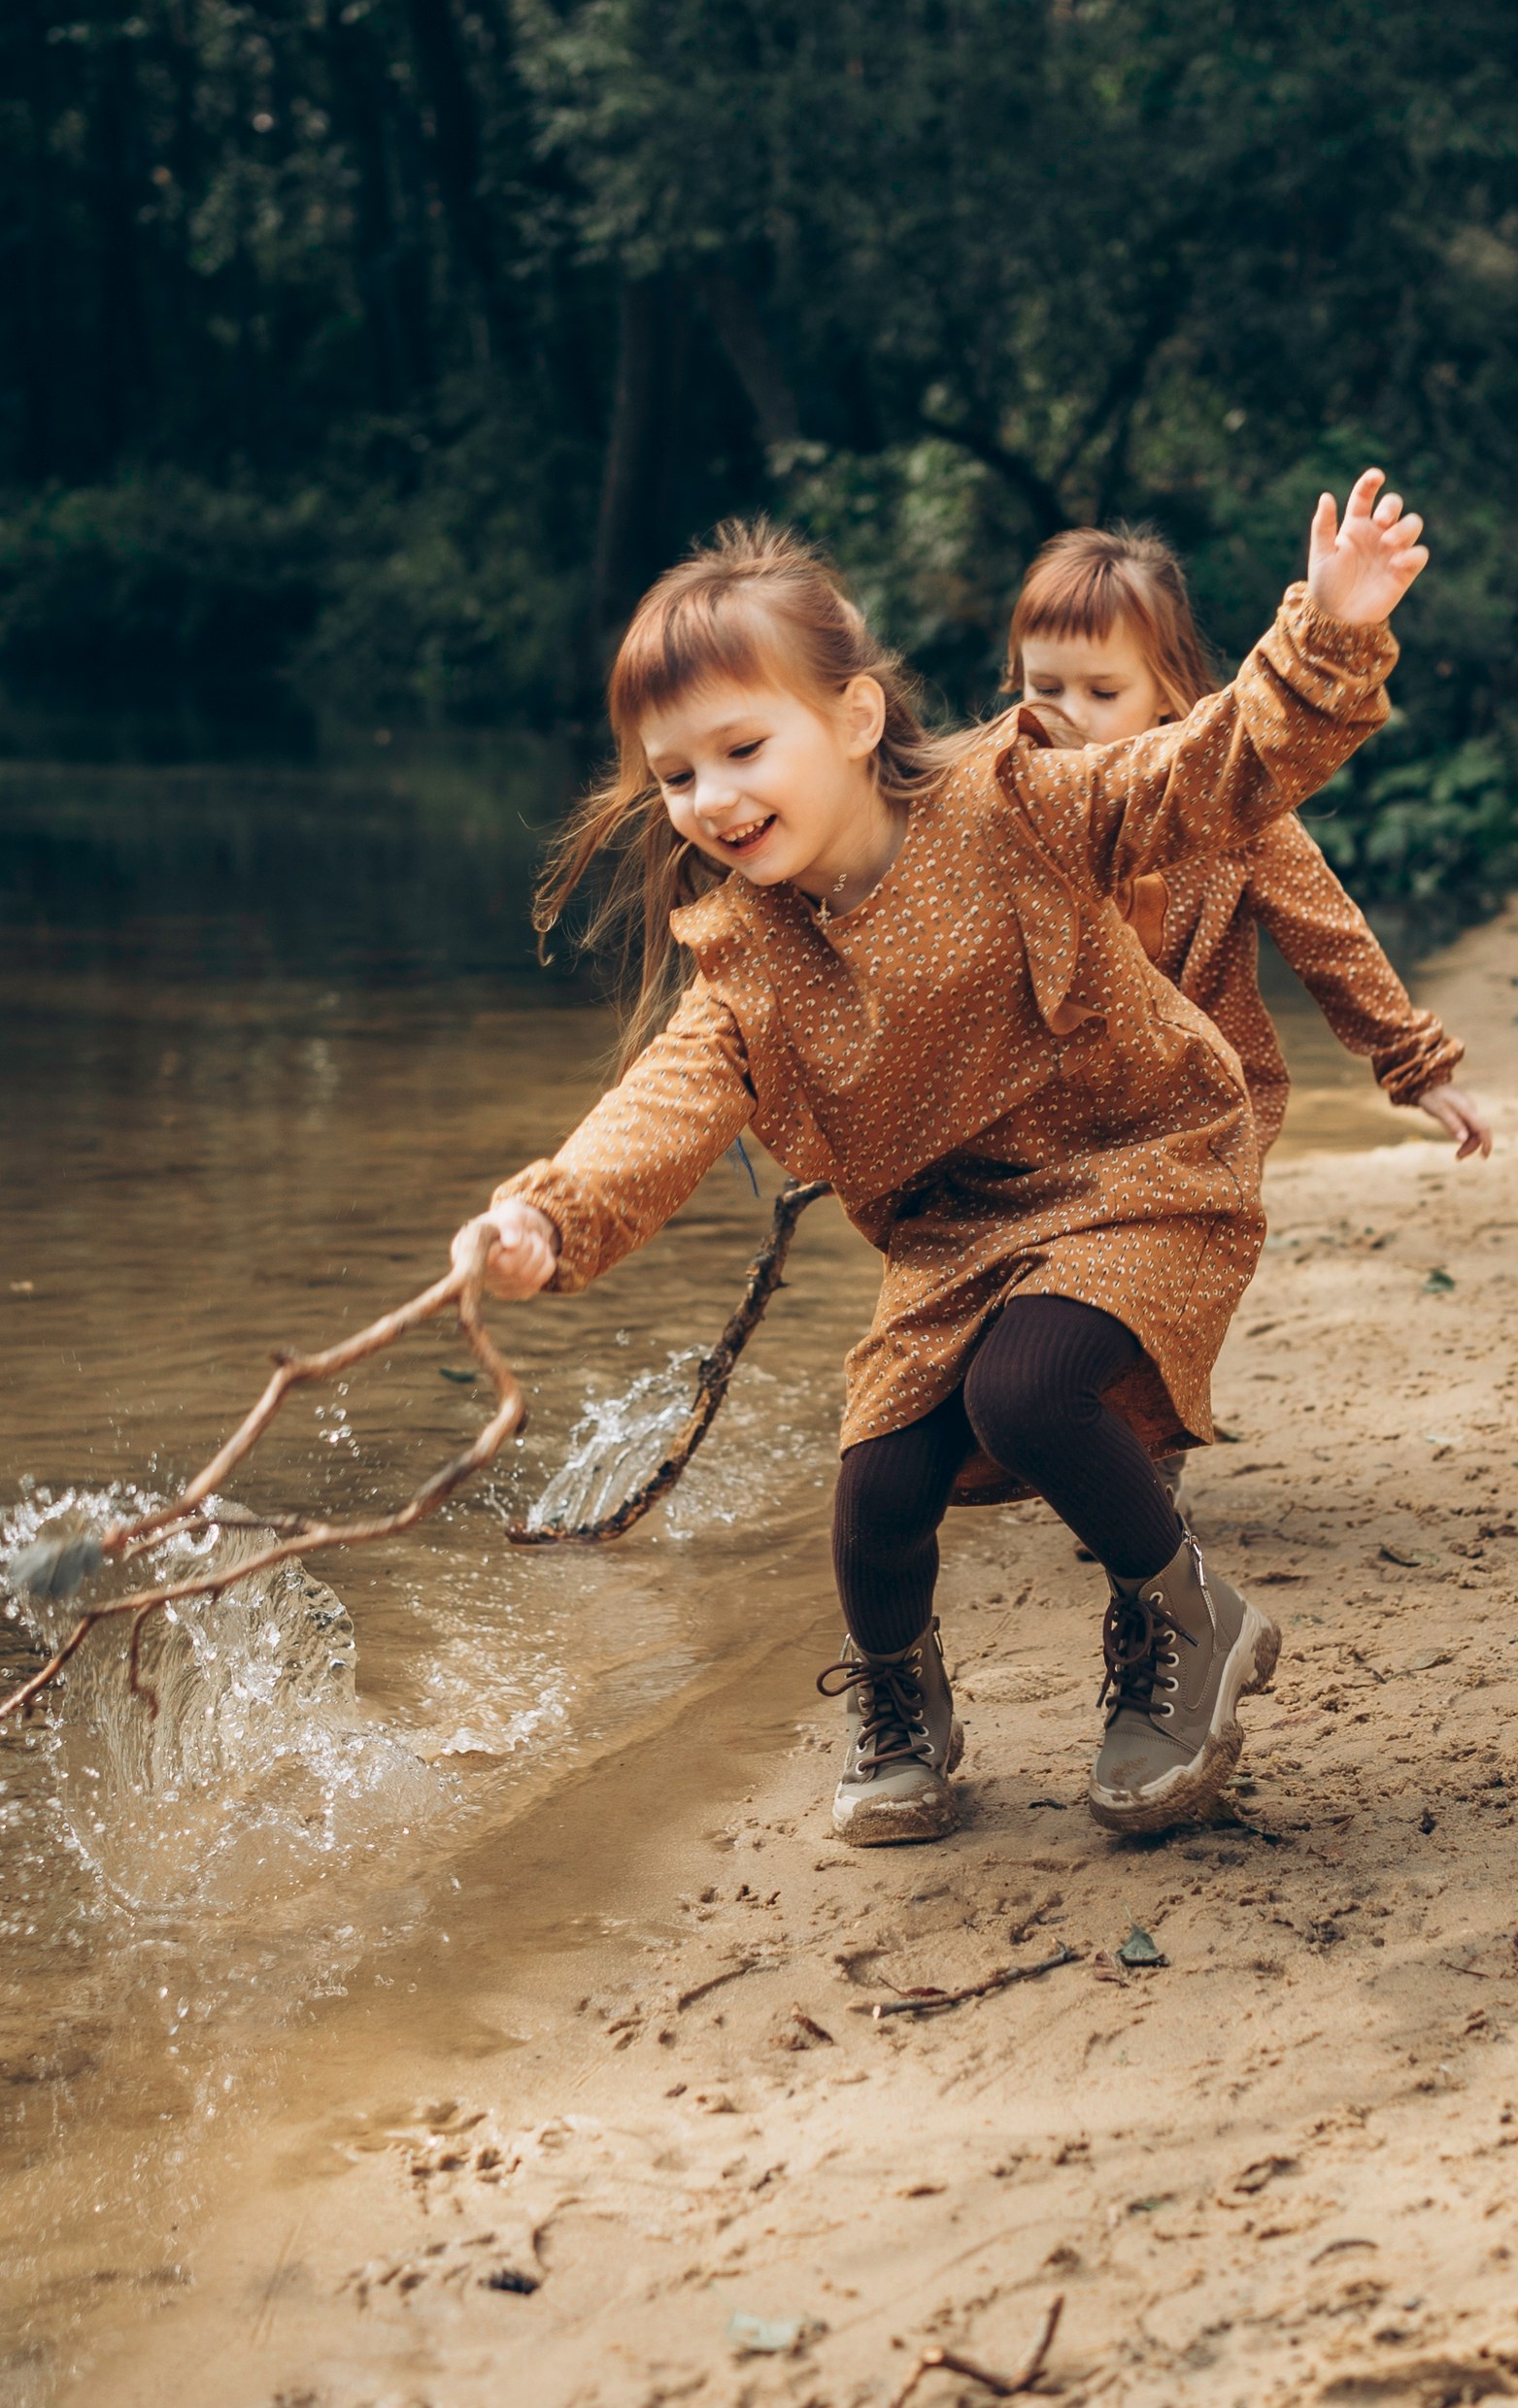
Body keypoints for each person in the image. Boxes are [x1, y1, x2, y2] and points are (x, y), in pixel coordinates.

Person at [455, 473, 1427, 1847]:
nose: (713, 799)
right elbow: (664, 1103)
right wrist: (547, 1218)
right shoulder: (745, 956)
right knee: (877, 1490)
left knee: (1027, 1391)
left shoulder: (1013, 798)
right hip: (960, 1236)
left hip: (1142, 1162)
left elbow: (1207, 771)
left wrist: (1323, 631)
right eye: (676, 775)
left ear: (854, 718)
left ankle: (1186, 1615)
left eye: (742, 748)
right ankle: (903, 1707)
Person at [1004, 520, 1493, 1528]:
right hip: (1052, 1114)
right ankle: (1045, 1430)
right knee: (1028, 1286)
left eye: (1103, 693)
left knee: (1157, 1279)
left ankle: (1142, 1451)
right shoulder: (1002, 808)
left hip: (1200, 1109)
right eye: (1043, 687)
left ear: (1171, 698)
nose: (1068, 716)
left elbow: (1328, 940)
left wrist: (1415, 1065)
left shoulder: (1233, 815)